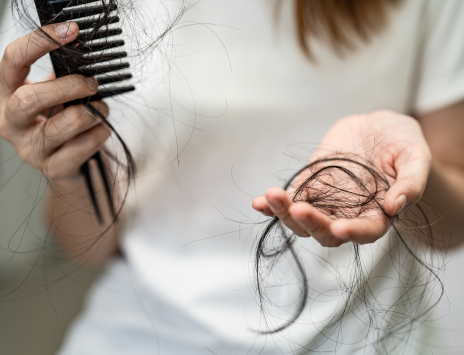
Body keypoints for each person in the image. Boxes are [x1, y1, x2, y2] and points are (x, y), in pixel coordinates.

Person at [1, 0, 464, 354]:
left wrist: (405, 175)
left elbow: (452, 228)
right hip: (147, 331)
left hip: (372, 335)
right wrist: (67, 170)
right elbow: (88, 246)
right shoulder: (64, 12)